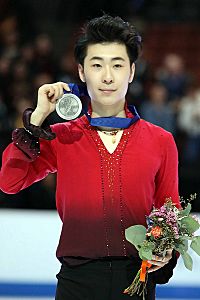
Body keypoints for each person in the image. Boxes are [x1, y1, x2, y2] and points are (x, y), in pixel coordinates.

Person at [0, 15, 181, 300]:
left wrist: (167, 251)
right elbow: (10, 182)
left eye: (117, 65)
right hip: (76, 283)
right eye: (97, 65)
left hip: (137, 282)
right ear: (82, 73)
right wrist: (36, 119)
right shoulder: (61, 136)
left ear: (132, 72)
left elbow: (170, 210)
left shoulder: (161, 141)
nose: (107, 76)